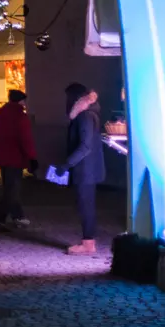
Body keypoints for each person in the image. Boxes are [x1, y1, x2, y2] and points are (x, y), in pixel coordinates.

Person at [56, 83, 106, 255]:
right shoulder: (89, 114)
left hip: (85, 169)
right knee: (87, 204)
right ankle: (88, 241)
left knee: (86, 205)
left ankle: (88, 244)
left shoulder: (84, 116)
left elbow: (85, 146)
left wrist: (67, 164)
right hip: (88, 169)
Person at [0, 89, 38, 228]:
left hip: (2, 158)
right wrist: (32, 158)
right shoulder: (21, 117)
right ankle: (0, 218)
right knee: (11, 190)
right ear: (21, 101)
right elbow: (26, 140)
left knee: (10, 188)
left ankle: (18, 216)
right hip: (15, 158)